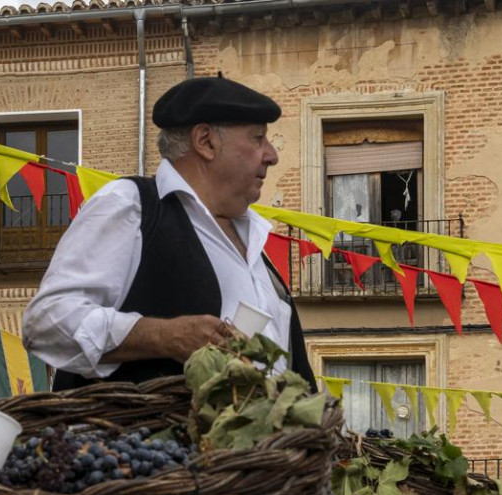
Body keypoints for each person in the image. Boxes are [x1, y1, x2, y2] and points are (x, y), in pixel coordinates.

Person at [22, 76, 316, 391]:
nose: (272, 155)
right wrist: (163, 336)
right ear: (206, 142)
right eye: (258, 138)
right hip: (140, 422)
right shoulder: (132, 205)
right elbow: (46, 322)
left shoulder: (255, 241)